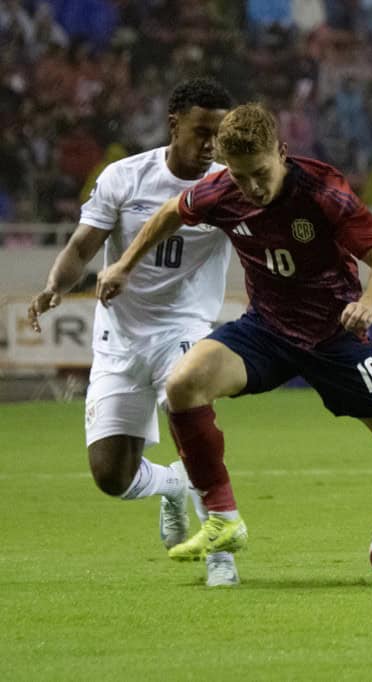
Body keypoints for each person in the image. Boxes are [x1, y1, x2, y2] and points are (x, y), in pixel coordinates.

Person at [95, 103, 372, 569]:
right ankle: (223, 518)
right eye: (239, 176)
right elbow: (171, 211)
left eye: (260, 173)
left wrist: (368, 305)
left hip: (335, 338)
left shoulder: (323, 191)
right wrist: (123, 265)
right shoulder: (221, 191)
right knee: (183, 384)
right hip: (267, 330)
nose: (251, 187)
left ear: (282, 153)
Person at [27, 78, 241, 587]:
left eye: (218, 135)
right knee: (111, 476)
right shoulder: (124, 177)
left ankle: (221, 553)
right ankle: (172, 484)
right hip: (119, 336)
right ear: (174, 125)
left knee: (191, 417)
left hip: (184, 327)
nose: (209, 145)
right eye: (200, 132)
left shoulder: (229, 187)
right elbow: (83, 246)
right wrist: (56, 286)